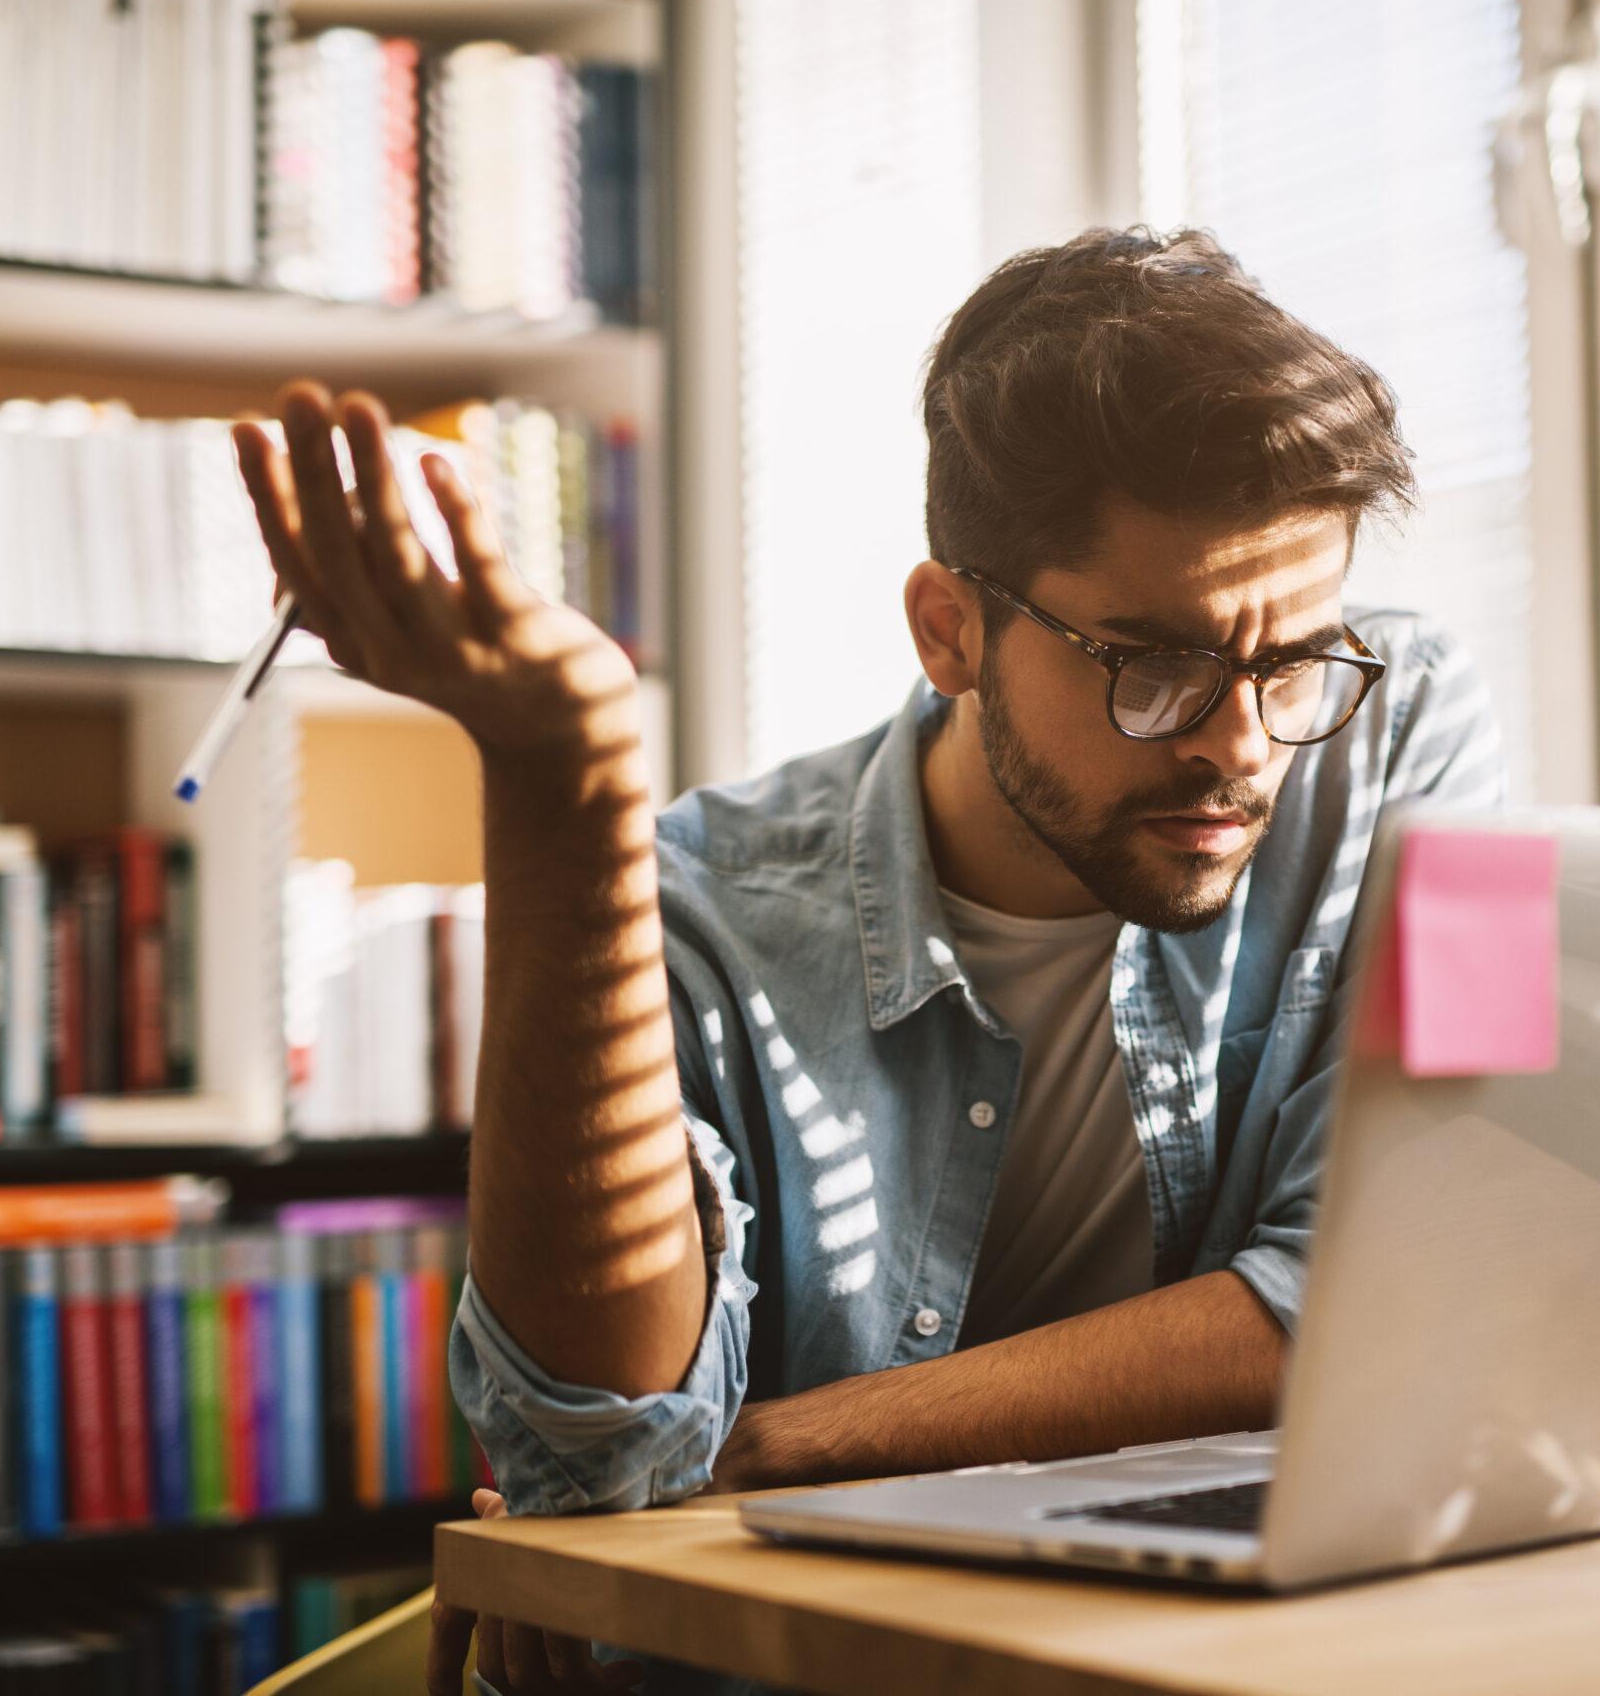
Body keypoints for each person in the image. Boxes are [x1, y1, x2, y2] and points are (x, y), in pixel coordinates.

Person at [231, 227, 1501, 1695]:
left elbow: (1401, 1293)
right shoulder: (698, 910)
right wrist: (563, 780)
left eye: (1293, 659)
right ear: (950, 630)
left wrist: (788, 1442)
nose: (1242, 741)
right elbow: (596, 1461)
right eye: (1153, 666)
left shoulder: (1403, 726)